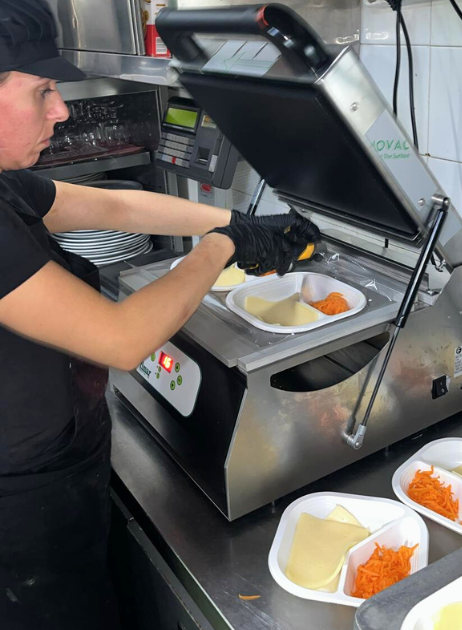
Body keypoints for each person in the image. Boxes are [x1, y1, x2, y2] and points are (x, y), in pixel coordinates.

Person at [0, 1, 320, 628]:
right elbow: (121, 340)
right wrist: (221, 247)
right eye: (42, 91)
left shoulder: (6, 182)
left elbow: (113, 209)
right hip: (21, 510)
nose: (61, 110)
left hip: (56, 467)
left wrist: (238, 221)